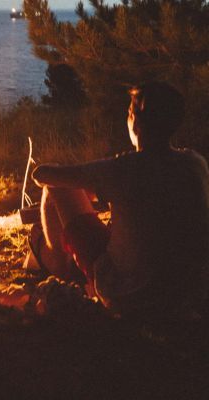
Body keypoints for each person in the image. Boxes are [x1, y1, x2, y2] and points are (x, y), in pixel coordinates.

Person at [30, 81, 209, 320]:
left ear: (135, 121)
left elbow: (42, 175)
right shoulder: (195, 163)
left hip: (130, 297)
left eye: (128, 113)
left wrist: (87, 185)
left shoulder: (124, 168)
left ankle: (57, 265)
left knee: (58, 188)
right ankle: (56, 257)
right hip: (189, 296)